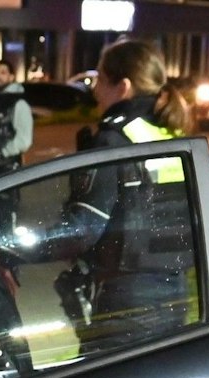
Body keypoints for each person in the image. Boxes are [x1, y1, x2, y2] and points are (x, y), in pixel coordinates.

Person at [47, 38, 195, 344]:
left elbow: (81, 229)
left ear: (123, 87)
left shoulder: (114, 142)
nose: (95, 89)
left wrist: (9, 251)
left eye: (101, 79)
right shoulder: (172, 136)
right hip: (176, 291)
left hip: (128, 299)